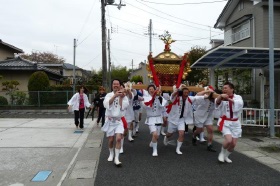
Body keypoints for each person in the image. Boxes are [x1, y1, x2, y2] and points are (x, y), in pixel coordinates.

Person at [163, 85, 206, 155]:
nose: (186, 94)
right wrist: (177, 90)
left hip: (181, 120)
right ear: (181, 93)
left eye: (187, 93)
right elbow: (172, 96)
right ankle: (166, 137)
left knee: (181, 133)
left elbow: (198, 97)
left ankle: (178, 148)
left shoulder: (189, 99)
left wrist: (207, 95)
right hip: (173, 119)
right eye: (185, 92)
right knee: (170, 134)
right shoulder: (176, 98)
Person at [101, 79, 129, 166]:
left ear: (120, 85)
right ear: (112, 85)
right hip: (110, 120)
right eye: (114, 84)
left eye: (117, 84)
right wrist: (115, 96)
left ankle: (117, 158)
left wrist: (121, 97)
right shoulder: (109, 95)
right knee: (110, 140)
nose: (115, 85)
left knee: (118, 139)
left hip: (118, 121)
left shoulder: (124, 97)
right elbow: (106, 104)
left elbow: (122, 108)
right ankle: (111, 153)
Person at [215, 82, 244, 163]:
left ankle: (226, 156)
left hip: (235, 123)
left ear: (232, 89)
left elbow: (239, 104)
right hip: (225, 122)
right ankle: (221, 153)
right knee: (228, 140)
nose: (224, 89)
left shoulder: (238, 97)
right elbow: (217, 103)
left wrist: (228, 99)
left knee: (233, 144)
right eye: (223, 88)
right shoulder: (220, 97)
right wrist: (220, 97)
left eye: (226, 88)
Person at [143, 84, 167, 157]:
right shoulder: (146, 98)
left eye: (152, 89)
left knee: (157, 136)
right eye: (150, 89)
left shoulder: (159, 97)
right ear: (148, 91)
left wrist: (159, 96)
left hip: (159, 118)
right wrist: (153, 98)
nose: (151, 90)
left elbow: (162, 105)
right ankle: (155, 150)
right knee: (155, 134)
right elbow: (146, 105)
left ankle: (152, 141)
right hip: (151, 118)